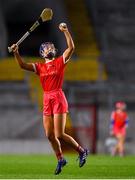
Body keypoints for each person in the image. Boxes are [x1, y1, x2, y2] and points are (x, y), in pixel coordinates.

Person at [11, 23, 89, 175]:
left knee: (59, 134)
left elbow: (71, 48)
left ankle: (81, 151)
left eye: (51, 47)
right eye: (47, 48)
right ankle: (60, 159)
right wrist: (16, 52)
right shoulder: (39, 67)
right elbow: (22, 65)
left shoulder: (60, 62)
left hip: (58, 97)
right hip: (47, 98)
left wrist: (65, 31)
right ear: (42, 52)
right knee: (49, 135)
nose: (50, 49)